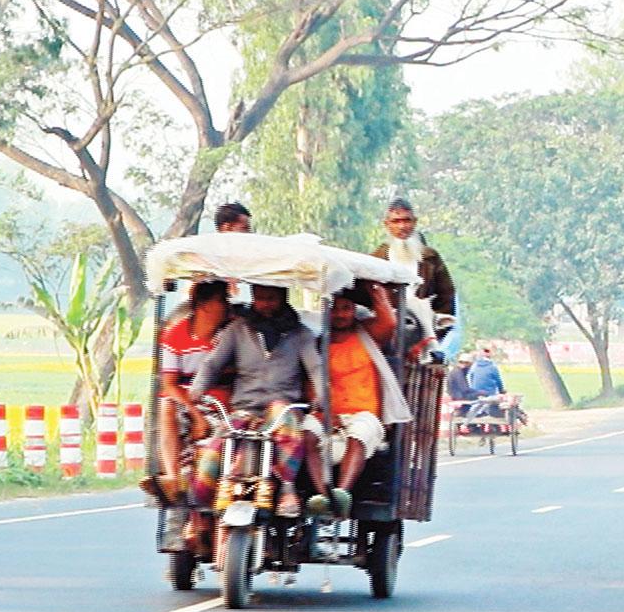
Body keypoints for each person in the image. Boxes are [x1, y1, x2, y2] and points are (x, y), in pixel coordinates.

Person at [188, 283, 323, 518]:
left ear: (282, 297)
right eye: (260, 298)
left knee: (286, 422)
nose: (265, 304)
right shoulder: (237, 329)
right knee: (213, 454)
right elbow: (212, 364)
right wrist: (198, 388)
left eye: (271, 298)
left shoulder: (301, 334)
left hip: (282, 409)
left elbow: (316, 368)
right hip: (244, 409)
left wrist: (322, 395)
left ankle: (287, 489)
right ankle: (201, 513)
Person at [145, 279, 231, 550]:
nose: (226, 307)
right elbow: (169, 384)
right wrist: (196, 415)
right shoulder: (175, 335)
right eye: (221, 301)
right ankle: (172, 477)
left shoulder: (230, 334)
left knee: (218, 442)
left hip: (220, 399)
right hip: (184, 398)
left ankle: (205, 515)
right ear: (205, 306)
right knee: (166, 406)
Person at [310, 282, 410, 516]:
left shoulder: (367, 335)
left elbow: (390, 322)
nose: (340, 314)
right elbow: (310, 385)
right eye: (334, 308)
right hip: (327, 416)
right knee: (305, 436)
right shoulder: (316, 344)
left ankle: (341, 495)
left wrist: (374, 288)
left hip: (364, 415)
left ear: (354, 310)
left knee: (357, 437)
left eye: (346, 308)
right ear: (325, 310)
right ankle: (322, 498)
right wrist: (323, 411)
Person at [371, 198, 458, 320]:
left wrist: (433, 328)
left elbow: (446, 296)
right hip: (387, 332)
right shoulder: (376, 260)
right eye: (396, 221)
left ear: (415, 222)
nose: (402, 226)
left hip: (424, 332)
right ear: (387, 224)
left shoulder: (431, 258)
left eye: (407, 220)